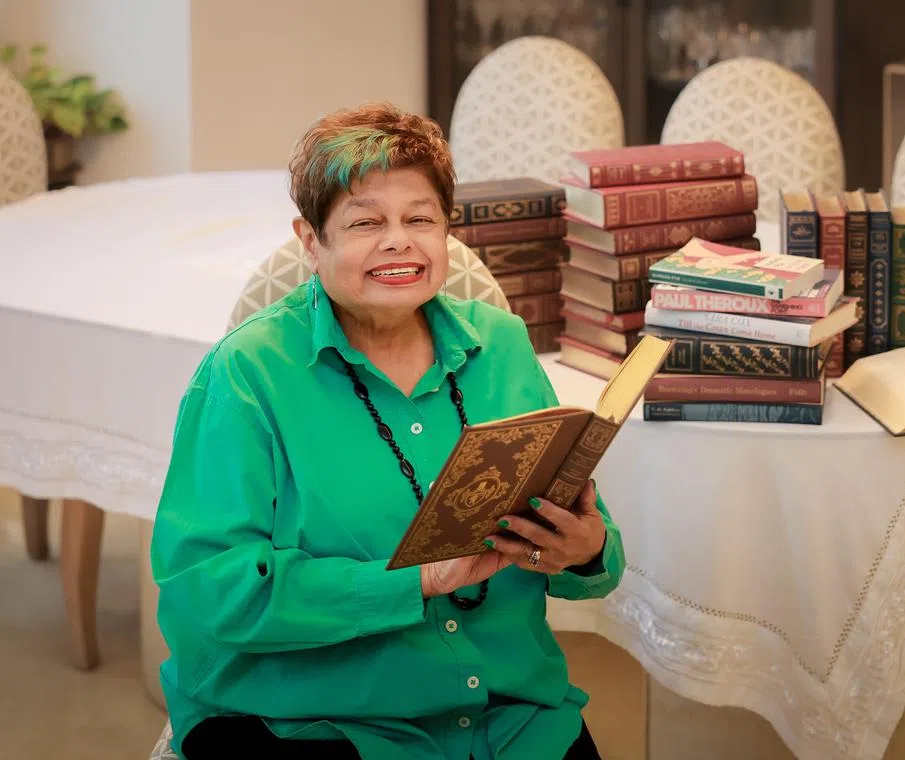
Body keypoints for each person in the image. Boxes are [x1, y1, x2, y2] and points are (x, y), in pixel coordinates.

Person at [151, 101, 625, 760]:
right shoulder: (246, 376)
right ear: (311, 240)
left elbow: (589, 551)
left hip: (510, 715)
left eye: (420, 219)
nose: (398, 241)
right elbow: (211, 594)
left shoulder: (504, 345)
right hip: (308, 718)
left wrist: (585, 549)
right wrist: (415, 581)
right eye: (366, 222)